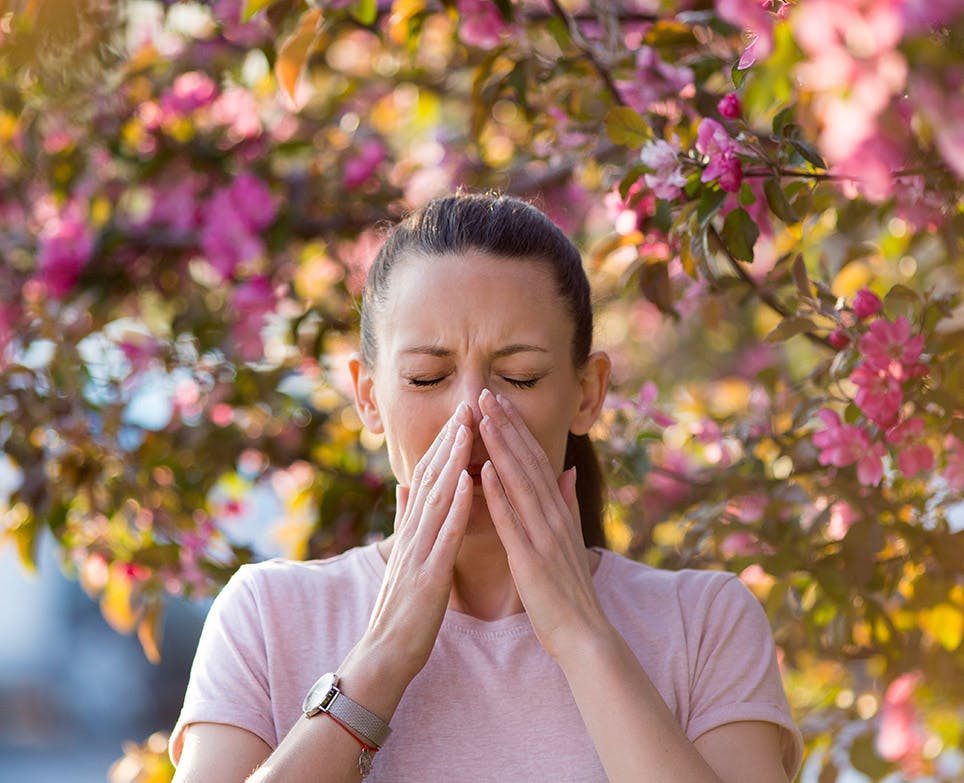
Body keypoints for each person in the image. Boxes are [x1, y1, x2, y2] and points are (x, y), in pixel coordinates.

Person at [169, 193, 804, 782]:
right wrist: (381, 659)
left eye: (521, 377)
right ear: (368, 396)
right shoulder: (267, 615)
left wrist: (582, 636)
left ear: (587, 394)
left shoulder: (704, 623)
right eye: (425, 378)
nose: (471, 412)